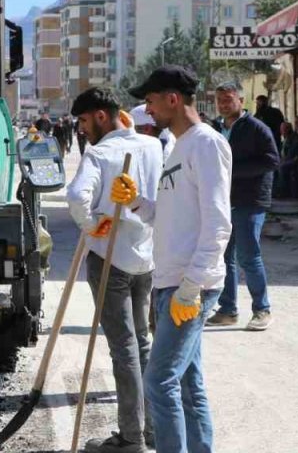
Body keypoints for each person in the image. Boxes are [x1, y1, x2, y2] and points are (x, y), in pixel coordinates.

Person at [110, 65, 231, 453]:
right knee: (186, 383)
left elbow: (218, 223)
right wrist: (135, 202)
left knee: (158, 380)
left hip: (187, 287)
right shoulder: (177, 147)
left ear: (173, 99)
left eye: (151, 101)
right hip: (171, 283)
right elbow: (168, 216)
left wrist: (192, 287)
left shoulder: (206, 144)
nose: (148, 110)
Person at [67, 87, 164, 453]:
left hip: (110, 259)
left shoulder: (100, 153)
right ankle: (153, 429)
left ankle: (131, 438)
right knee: (143, 344)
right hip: (146, 257)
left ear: (101, 116)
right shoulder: (154, 146)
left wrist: (91, 224)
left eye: (83, 121)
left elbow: (77, 197)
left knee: (124, 348)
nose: (81, 129)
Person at [205, 82, 277, 331]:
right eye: (220, 100)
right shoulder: (214, 128)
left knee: (249, 256)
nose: (224, 105)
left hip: (250, 201)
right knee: (224, 258)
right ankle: (227, 310)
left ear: (241, 101)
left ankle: (262, 309)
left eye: (229, 99)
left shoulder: (256, 128)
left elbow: (271, 160)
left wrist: (232, 171)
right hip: (222, 201)